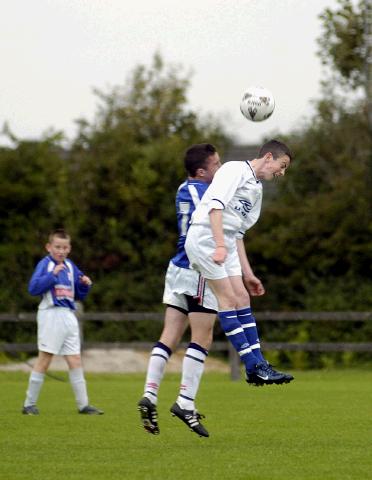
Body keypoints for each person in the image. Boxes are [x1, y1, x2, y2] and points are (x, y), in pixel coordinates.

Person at [185, 139, 294, 387]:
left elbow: (239, 234)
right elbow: (215, 207)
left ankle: (259, 365)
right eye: (282, 164)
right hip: (206, 237)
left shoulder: (256, 190)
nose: (282, 172)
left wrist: (248, 273)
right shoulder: (234, 170)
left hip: (227, 242)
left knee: (242, 298)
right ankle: (253, 365)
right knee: (228, 300)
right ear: (268, 156)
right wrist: (220, 245)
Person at [138, 143, 221, 438]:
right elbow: (212, 222)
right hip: (196, 268)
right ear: (202, 171)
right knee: (203, 336)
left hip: (177, 268)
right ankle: (185, 401)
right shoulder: (204, 193)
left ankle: (150, 393)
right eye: (216, 165)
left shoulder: (182, 188)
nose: (220, 170)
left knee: (170, 334)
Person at [22, 229, 103, 415]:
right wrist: (52, 276)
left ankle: (83, 405)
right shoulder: (46, 265)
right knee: (45, 358)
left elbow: (78, 295)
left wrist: (84, 284)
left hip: (68, 315)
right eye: (57, 247)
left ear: (69, 248)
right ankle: (29, 404)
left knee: (75, 359)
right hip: (51, 314)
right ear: (49, 247)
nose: (61, 251)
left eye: (64, 247)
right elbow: (33, 288)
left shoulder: (70, 266)